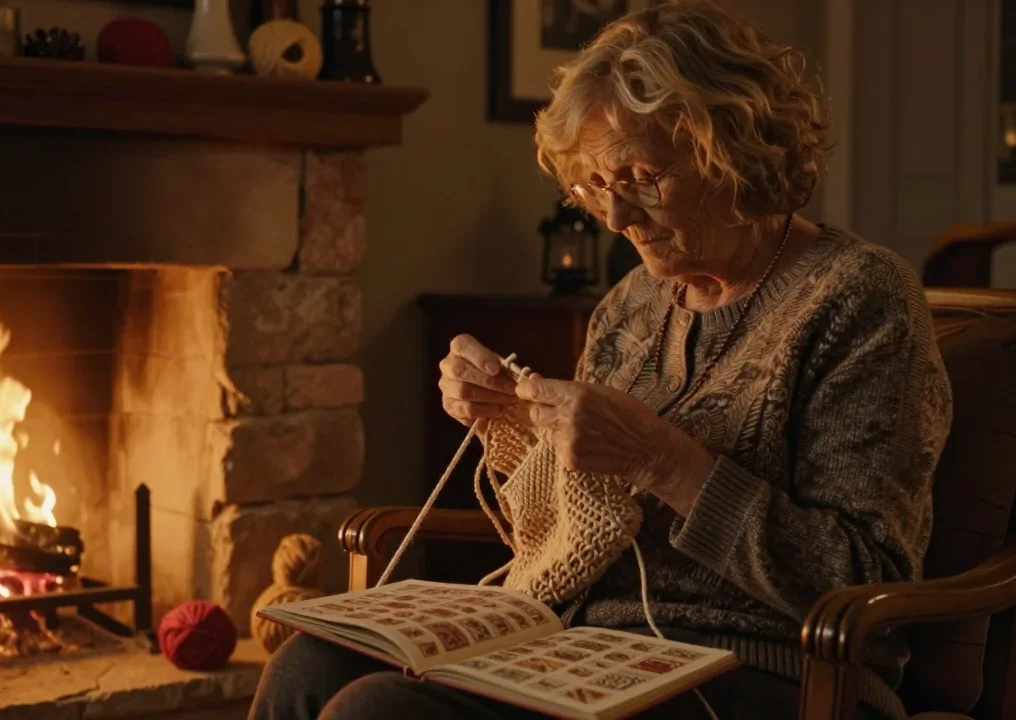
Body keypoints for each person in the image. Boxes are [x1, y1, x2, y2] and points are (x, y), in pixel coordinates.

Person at [249, 2, 951, 718]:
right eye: (594, 186)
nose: (616, 219)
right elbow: (578, 523)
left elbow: (867, 580)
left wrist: (666, 464)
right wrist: (513, 425)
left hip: (762, 668)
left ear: (735, 151)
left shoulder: (860, 298)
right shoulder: (631, 306)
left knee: (379, 712)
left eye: (643, 178)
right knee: (308, 664)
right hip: (581, 642)